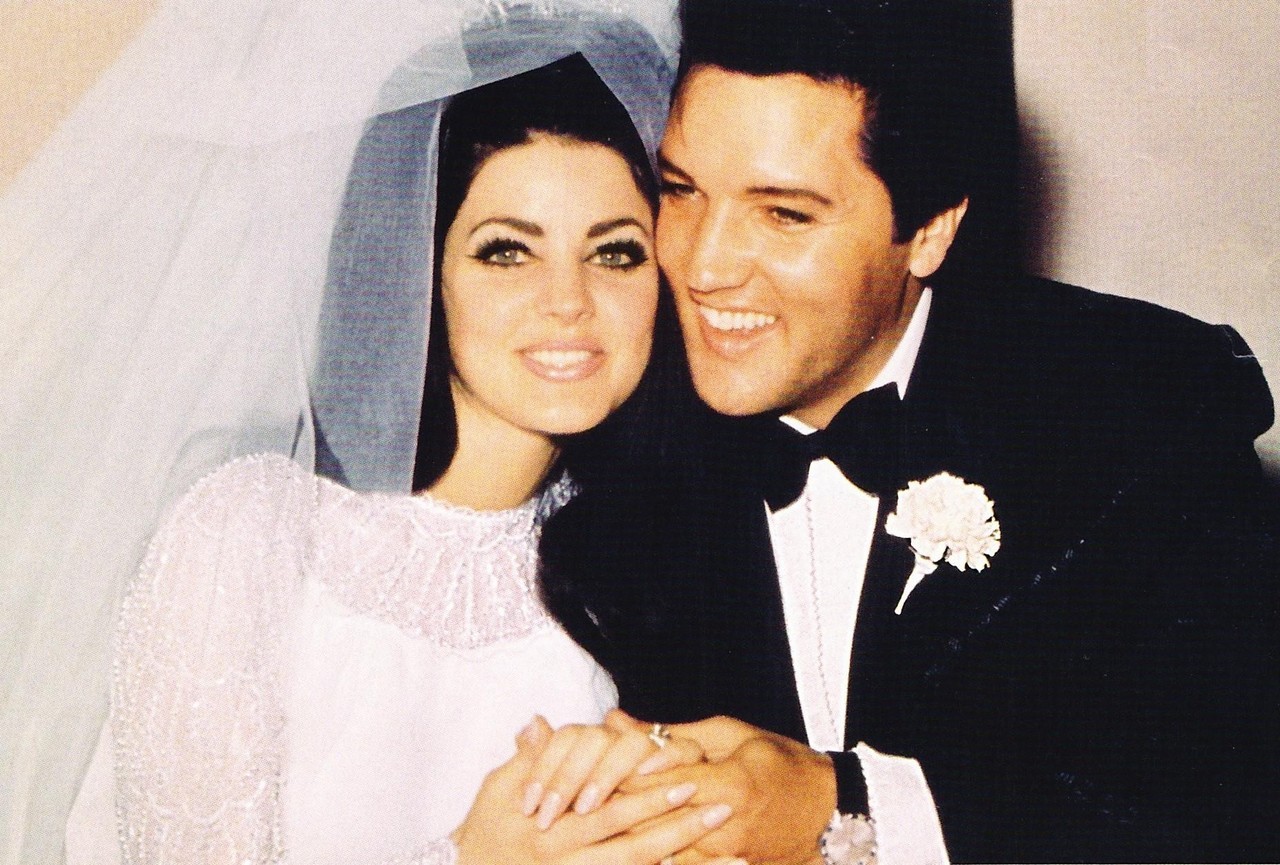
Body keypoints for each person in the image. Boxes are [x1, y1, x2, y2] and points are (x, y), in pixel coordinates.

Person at [2, 2, 744, 863]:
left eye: (615, 251)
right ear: (416, 267)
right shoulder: (255, 536)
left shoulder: (667, 556)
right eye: (507, 250)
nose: (568, 301)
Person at [541, 0, 1280, 862]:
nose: (703, 264)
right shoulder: (614, 455)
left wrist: (846, 802)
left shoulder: (1140, 411)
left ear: (929, 229)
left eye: (783, 214)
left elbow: (1229, 809)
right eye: (682, 191)